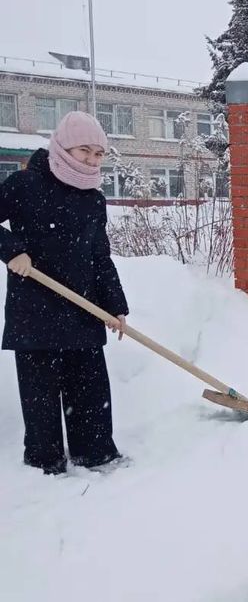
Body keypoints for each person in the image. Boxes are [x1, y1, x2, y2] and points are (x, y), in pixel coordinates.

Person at [0, 111, 129, 475]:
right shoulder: (25, 184)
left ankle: (96, 455)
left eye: (98, 153)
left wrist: (115, 305)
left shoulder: (94, 198)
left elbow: (100, 257)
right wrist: (11, 250)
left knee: (90, 395)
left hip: (83, 309)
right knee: (41, 399)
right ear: (62, 146)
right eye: (83, 150)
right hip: (35, 310)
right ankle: (46, 463)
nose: (91, 159)